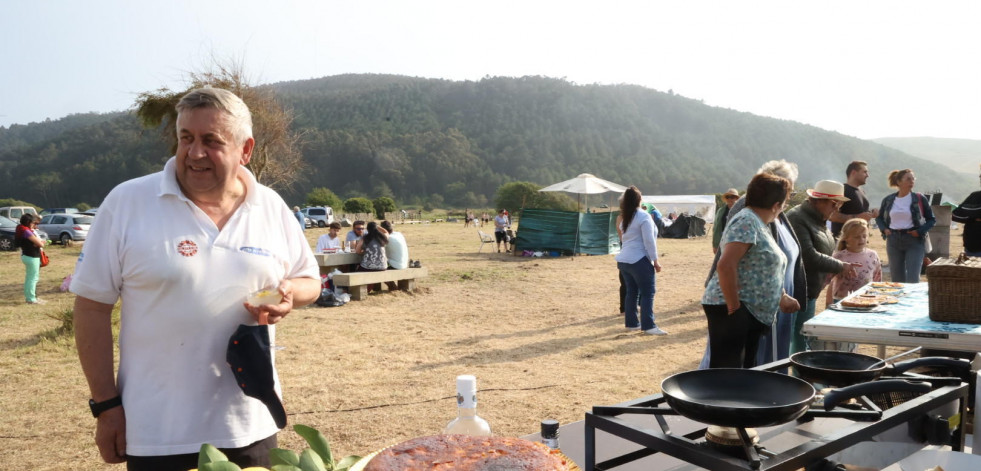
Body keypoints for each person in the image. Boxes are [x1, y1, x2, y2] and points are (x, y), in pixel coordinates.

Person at [71, 88, 321, 470]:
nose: (194, 152)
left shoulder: (269, 205)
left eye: (211, 141)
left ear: (246, 149)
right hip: (157, 433)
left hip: (251, 425)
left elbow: (309, 280)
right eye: (185, 138)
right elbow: (90, 307)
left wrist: (289, 291)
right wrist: (106, 406)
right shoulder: (128, 202)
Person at [700, 160, 807, 370]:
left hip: (750, 312)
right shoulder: (747, 220)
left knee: (745, 372)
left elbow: (764, 267)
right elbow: (725, 265)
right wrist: (734, 307)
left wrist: (781, 296)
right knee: (728, 373)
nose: (785, 207)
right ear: (776, 205)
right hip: (736, 310)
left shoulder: (761, 222)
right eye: (785, 202)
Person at [786, 180, 859, 354]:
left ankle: (800, 378)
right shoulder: (797, 218)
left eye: (839, 204)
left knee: (802, 341)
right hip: (793, 291)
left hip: (808, 291)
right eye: (834, 203)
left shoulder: (817, 218)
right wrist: (840, 266)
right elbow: (808, 256)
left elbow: (826, 247)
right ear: (818, 200)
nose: (837, 208)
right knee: (790, 341)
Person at [823, 219, 882, 352]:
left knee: (856, 334)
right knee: (843, 334)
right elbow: (829, 281)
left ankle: (852, 355)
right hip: (842, 302)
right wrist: (828, 302)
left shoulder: (873, 255)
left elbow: (877, 279)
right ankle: (842, 357)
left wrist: (877, 299)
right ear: (846, 239)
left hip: (865, 302)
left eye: (864, 236)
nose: (861, 239)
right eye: (856, 236)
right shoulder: (838, 257)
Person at [615, 186, 666, 335]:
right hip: (639, 259)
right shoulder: (643, 216)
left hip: (624, 260)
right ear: (639, 200)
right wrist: (655, 261)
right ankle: (649, 325)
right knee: (647, 292)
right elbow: (649, 241)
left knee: (631, 292)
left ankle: (632, 323)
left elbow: (624, 238)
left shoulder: (625, 217)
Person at [874, 169, 936, 283]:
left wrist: (920, 231)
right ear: (899, 182)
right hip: (893, 240)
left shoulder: (919, 198)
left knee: (913, 279)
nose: (912, 181)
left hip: (914, 240)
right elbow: (879, 218)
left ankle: (913, 301)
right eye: (908, 179)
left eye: (913, 178)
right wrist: (884, 229)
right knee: (897, 280)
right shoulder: (888, 200)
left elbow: (932, 219)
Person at [829, 161, 879, 239]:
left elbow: (859, 212)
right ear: (853, 172)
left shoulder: (862, 192)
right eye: (864, 172)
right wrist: (857, 217)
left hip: (859, 242)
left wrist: (871, 214)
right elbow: (832, 215)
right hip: (843, 242)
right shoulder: (842, 190)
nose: (867, 175)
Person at [16, 214, 46, 304]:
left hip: (26, 255)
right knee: (33, 278)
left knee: (29, 278)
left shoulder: (20, 229)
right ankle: (31, 299)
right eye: (33, 222)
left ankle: (30, 297)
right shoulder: (27, 231)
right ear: (28, 222)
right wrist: (40, 242)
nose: (34, 225)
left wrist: (37, 243)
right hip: (32, 256)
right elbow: (41, 244)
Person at [951, 166, 981, 257]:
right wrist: (975, 217)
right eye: (980, 176)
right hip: (973, 247)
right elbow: (955, 214)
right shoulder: (975, 196)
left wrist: (972, 215)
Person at [712, 188, 739, 254]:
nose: (729, 199)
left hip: (737, 240)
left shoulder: (741, 211)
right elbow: (716, 228)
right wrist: (715, 245)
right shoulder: (720, 211)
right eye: (727, 197)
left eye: (732, 197)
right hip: (723, 240)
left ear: (736, 198)